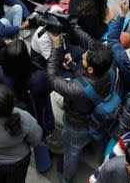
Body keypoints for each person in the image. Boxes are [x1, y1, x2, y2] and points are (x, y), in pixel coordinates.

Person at [46, 33, 115, 183]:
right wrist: (73, 66)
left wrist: (56, 48)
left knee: (71, 153)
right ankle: (101, 161)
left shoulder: (78, 89)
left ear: (90, 69)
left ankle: (66, 177)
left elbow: (52, 78)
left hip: (77, 125)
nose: (83, 54)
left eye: (84, 58)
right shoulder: (108, 67)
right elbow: (87, 79)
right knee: (97, 141)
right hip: (98, 118)